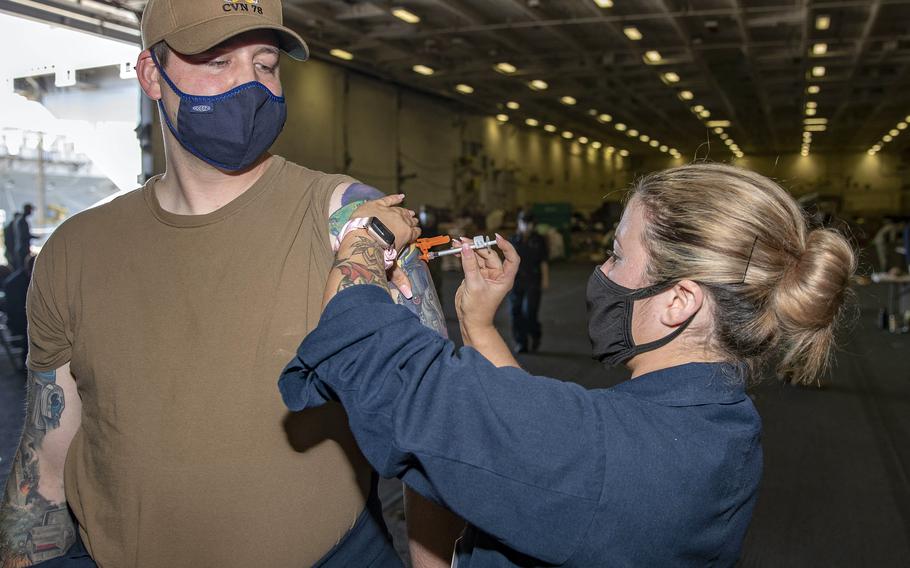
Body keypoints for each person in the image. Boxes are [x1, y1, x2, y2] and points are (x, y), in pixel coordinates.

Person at [0, 1, 461, 566]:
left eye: (265, 65)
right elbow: (46, 457)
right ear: (151, 74)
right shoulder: (74, 252)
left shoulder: (355, 225)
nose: (251, 86)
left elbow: (436, 439)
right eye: (218, 62)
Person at [279, 163, 857, 566]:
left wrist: (363, 241)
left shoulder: (603, 455)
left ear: (679, 301)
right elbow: (536, 438)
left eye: (617, 254)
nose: (603, 271)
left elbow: (365, 348)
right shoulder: (721, 423)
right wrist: (478, 326)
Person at [508, 211, 549, 353]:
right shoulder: (513, 240)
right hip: (516, 281)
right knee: (516, 312)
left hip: (533, 280)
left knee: (530, 312)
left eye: (529, 223)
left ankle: (535, 335)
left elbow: (543, 261)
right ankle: (521, 342)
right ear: (518, 223)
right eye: (523, 222)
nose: (526, 226)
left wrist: (545, 280)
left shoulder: (539, 240)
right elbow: (507, 262)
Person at [13, 205, 34, 270]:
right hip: (23, 249)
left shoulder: (20, 220)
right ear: (27, 210)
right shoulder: (22, 221)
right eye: (31, 210)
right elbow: (24, 235)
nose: (31, 212)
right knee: (24, 269)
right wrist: (36, 237)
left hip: (22, 248)